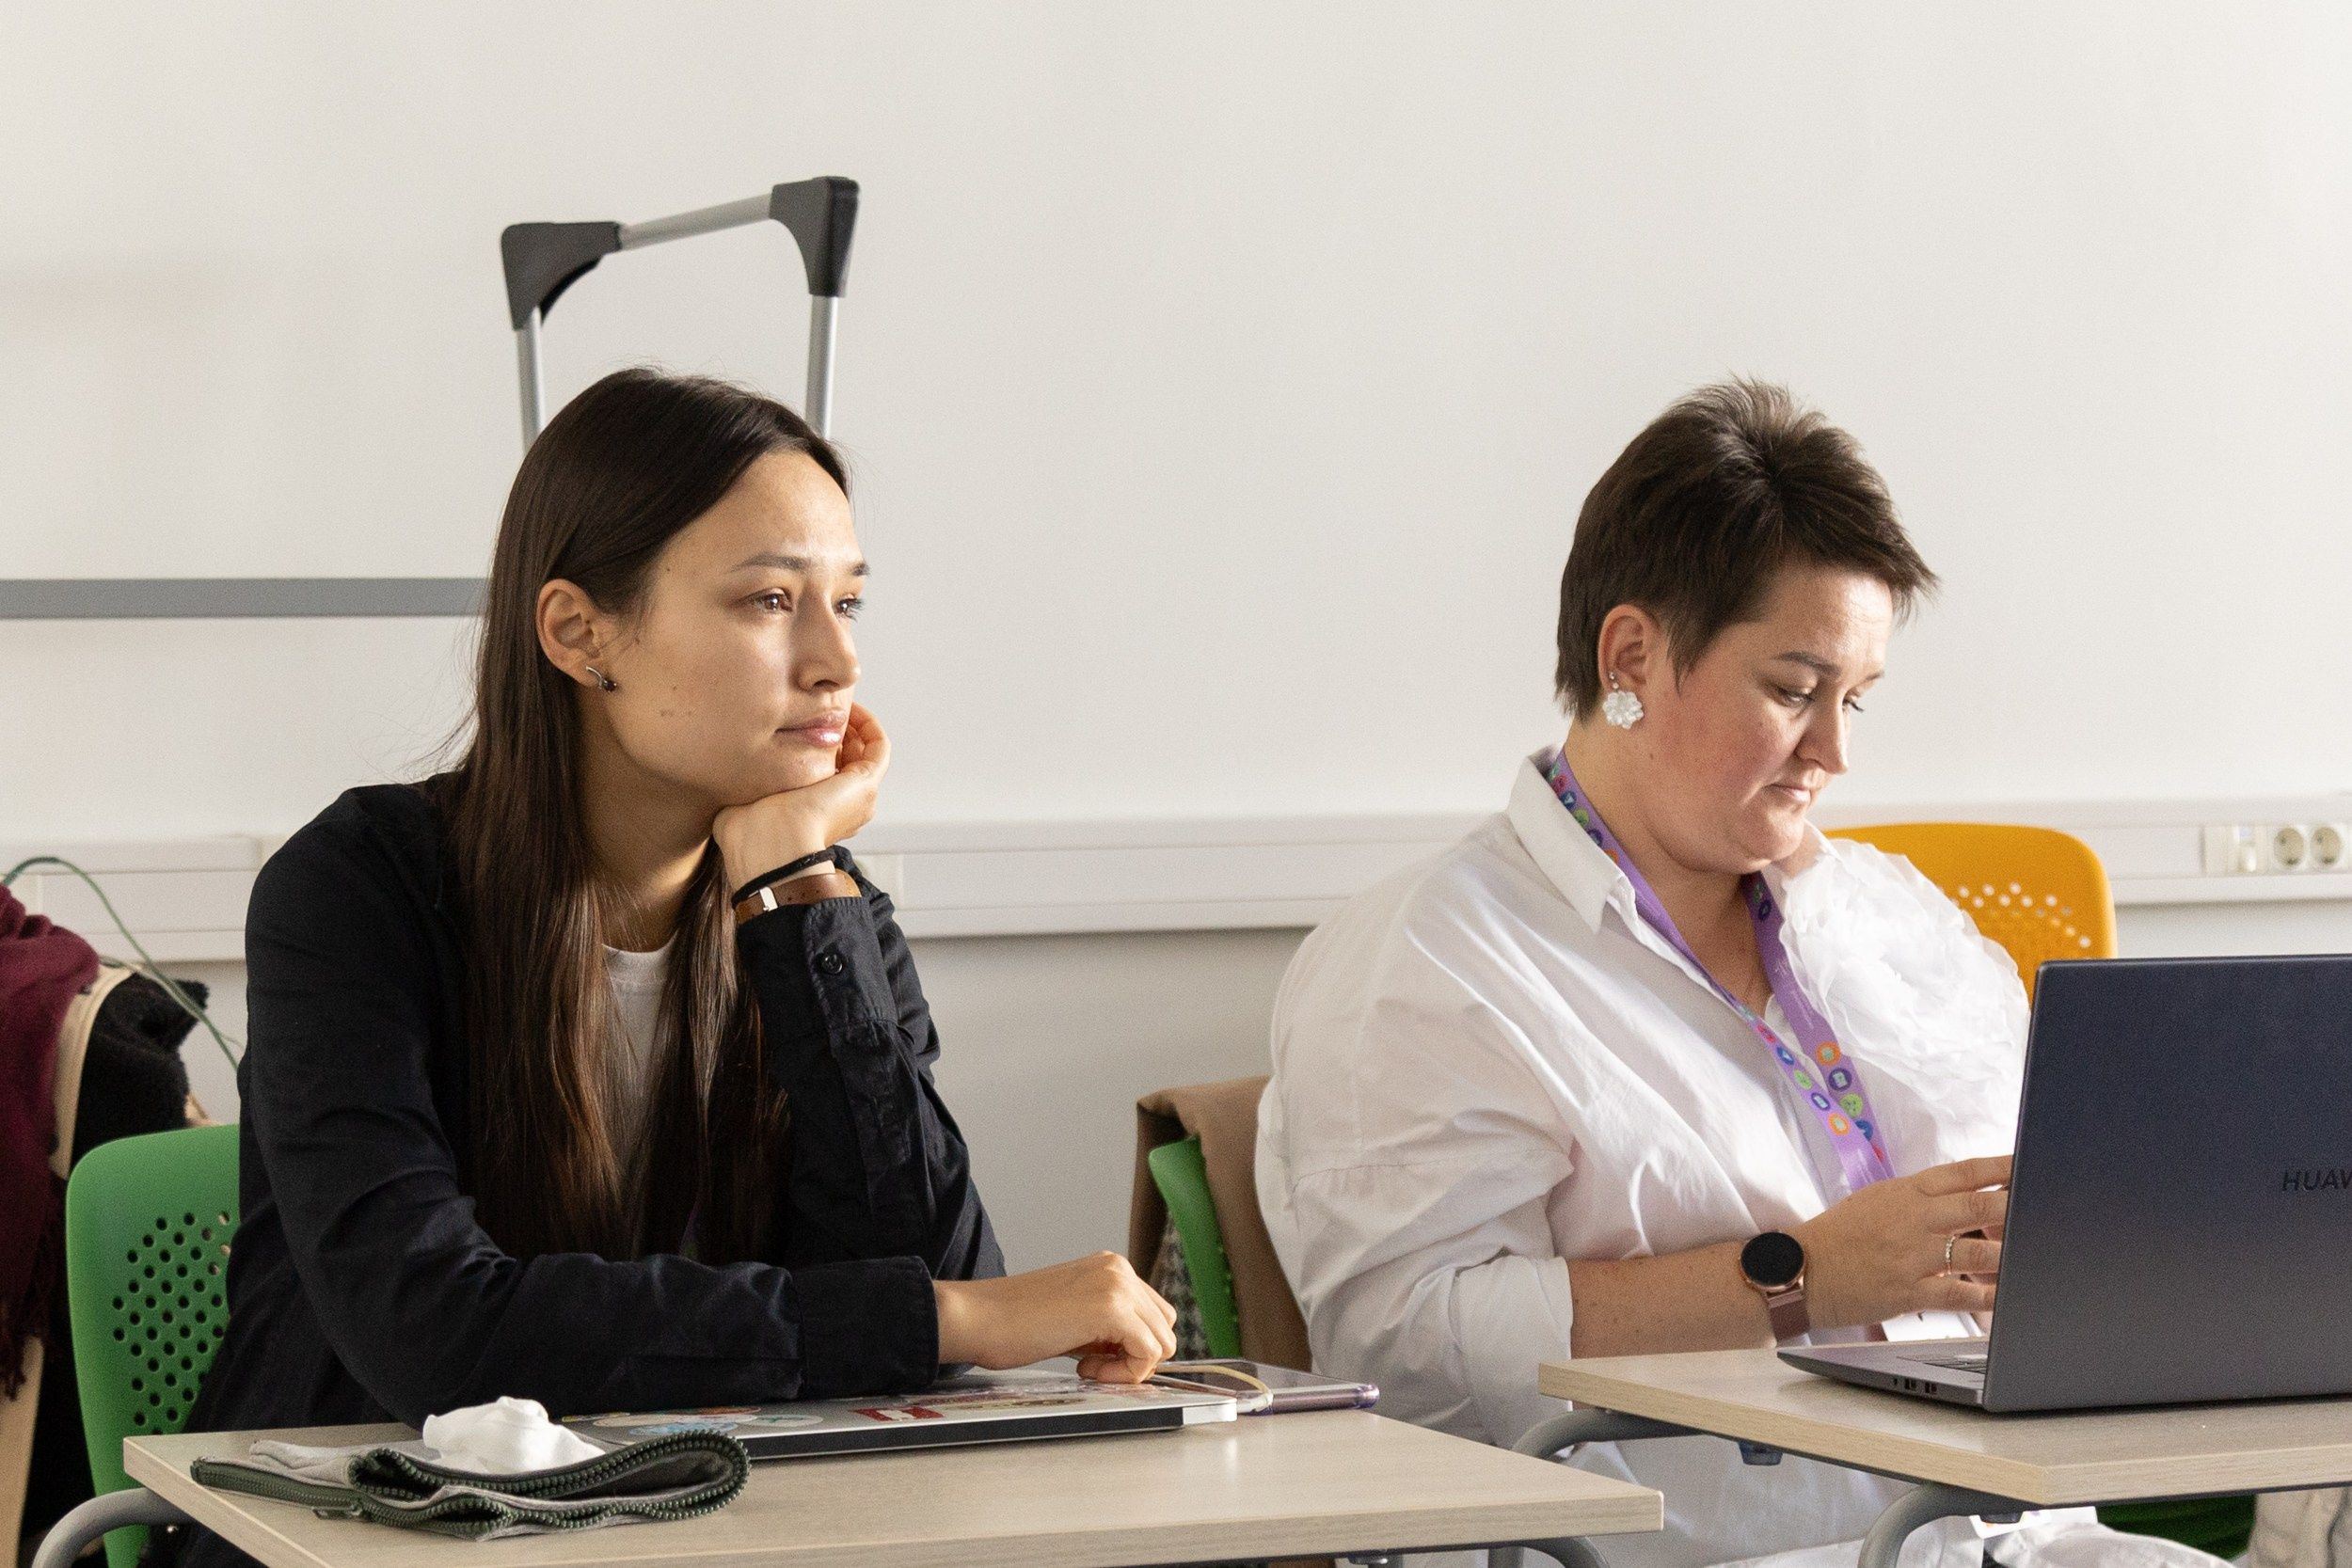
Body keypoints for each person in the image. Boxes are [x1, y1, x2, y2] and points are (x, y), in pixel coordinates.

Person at [182, 369, 1175, 1568]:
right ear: (577, 632)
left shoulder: (817, 909)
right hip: (363, 1539)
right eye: (768, 599)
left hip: (694, 1536)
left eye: (848, 603)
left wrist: (796, 889)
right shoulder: (356, 892)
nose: (833, 664)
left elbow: (929, 1282)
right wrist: (938, 1318)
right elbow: (434, 1333)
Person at [1255, 382, 2217, 1568]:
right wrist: (1802, 1275)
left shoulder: (1886, 915)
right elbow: (1404, 1348)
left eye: (1855, 698)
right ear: (1631, 657)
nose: (1836, 751)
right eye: (1793, 689)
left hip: (2001, 1531)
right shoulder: (1429, 956)